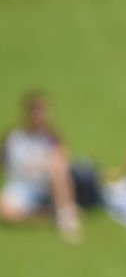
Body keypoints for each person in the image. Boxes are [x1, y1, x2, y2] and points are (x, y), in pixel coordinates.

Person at [1, 91, 79, 241]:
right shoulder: (13, 137)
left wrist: (47, 165)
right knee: (5, 213)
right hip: (20, 187)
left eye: (43, 111)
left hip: (45, 185)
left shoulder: (52, 138)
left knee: (58, 171)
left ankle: (66, 219)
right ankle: (47, 217)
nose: (39, 116)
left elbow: (64, 162)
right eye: (36, 111)